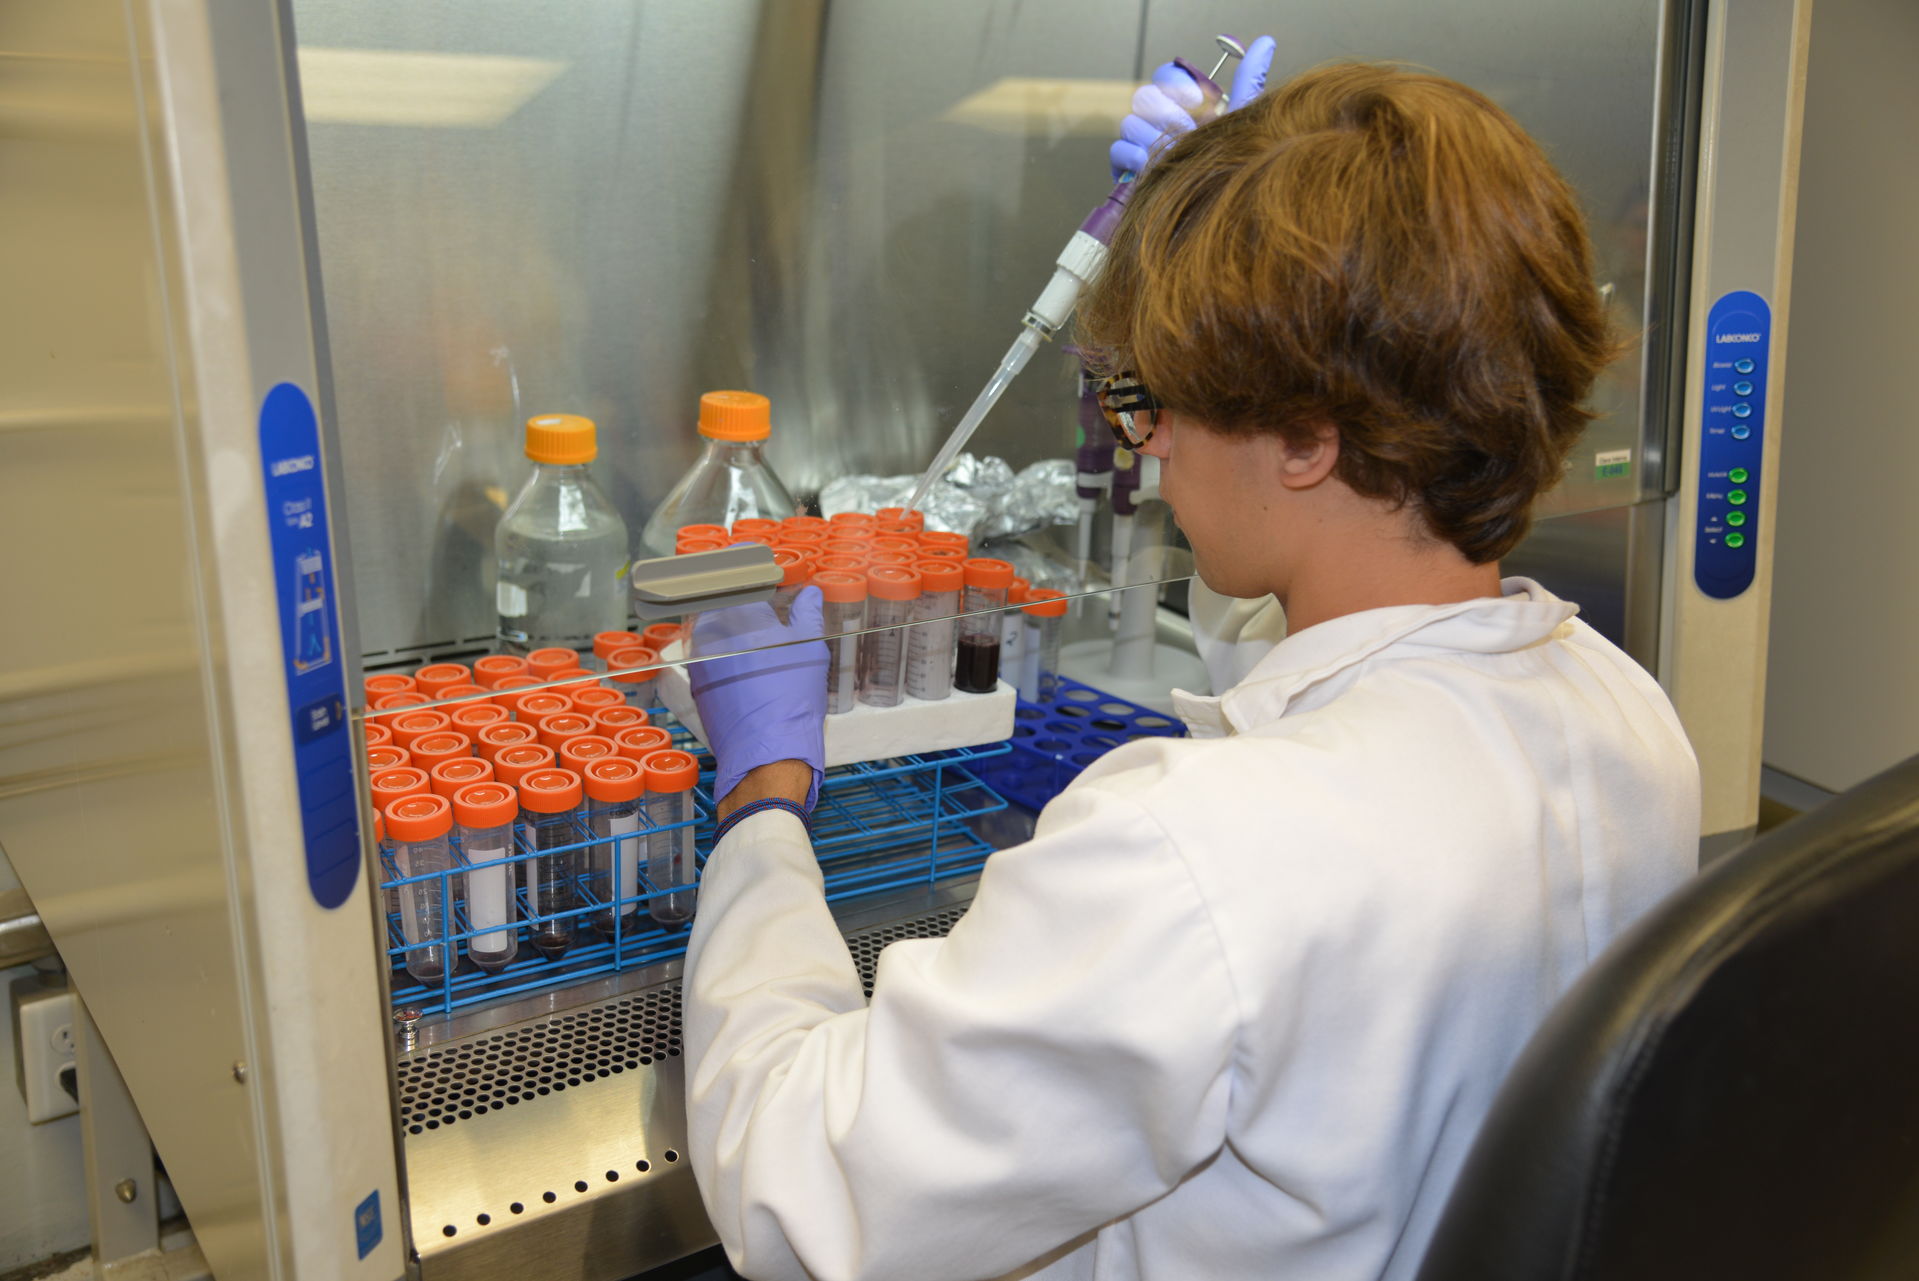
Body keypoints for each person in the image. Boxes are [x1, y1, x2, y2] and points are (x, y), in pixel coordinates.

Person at [679, 57, 1701, 1281]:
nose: (1139, 435)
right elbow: (1314, 655)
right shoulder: (1627, 713)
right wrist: (1198, 255)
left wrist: (762, 802)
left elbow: (792, 1182)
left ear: (1310, 440)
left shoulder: (1187, 853)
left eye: (1160, 399)